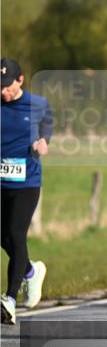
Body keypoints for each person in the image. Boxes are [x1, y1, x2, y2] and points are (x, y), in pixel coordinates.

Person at [1, 58, 52, 325]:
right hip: (1, 182)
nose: (3, 91)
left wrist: (43, 143)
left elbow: (47, 130)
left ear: (20, 80)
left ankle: (9, 299)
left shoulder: (38, 105)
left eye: (7, 86)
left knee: (16, 234)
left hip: (27, 182)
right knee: (3, 238)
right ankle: (31, 271)